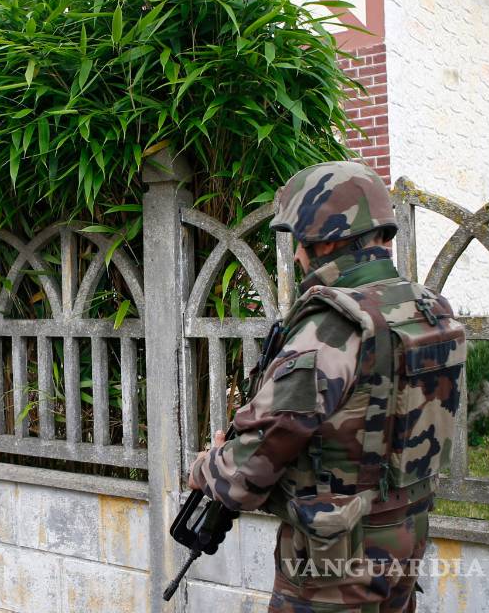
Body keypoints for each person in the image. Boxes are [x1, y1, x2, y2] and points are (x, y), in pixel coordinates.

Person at [187, 161, 467, 613]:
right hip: (403, 541)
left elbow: (248, 470)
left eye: (300, 240)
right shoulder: (426, 308)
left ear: (329, 238)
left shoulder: (332, 328)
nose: (297, 255)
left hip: (335, 571)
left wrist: (206, 466)